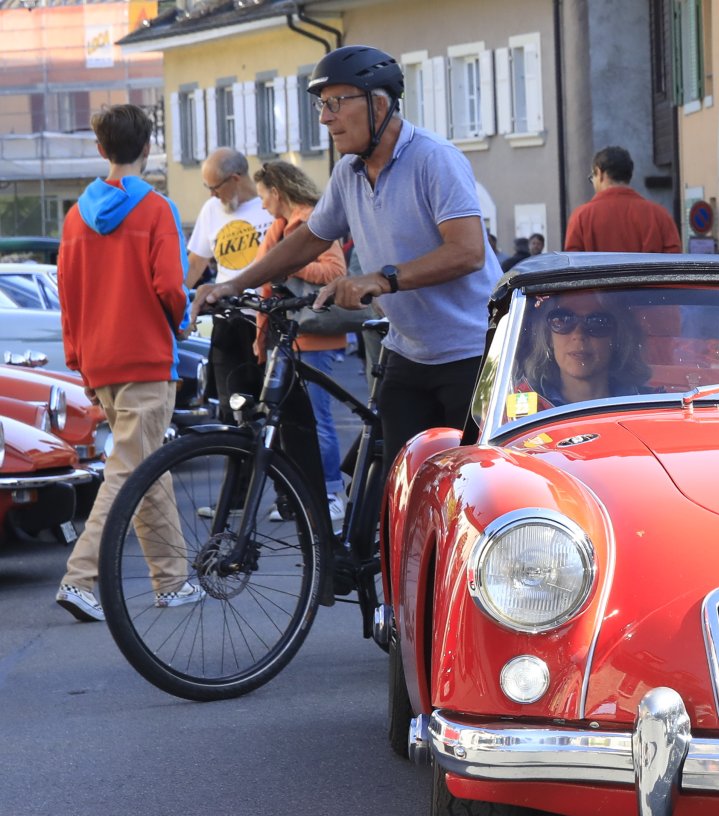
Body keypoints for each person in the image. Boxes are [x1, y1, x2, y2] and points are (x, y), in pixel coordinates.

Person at [192, 44, 501, 482]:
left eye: (336, 103)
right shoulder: (348, 172)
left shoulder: (434, 159)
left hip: (470, 352)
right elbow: (308, 240)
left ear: (379, 104)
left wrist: (383, 279)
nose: (324, 118)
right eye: (322, 105)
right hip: (408, 352)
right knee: (397, 489)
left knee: (470, 490)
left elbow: (467, 251)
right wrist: (233, 284)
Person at [54, 104, 198, 621]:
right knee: (128, 471)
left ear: (100, 149)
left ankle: (172, 582)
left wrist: (79, 362)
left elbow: (67, 296)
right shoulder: (157, 209)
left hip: (100, 361)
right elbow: (171, 286)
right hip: (146, 358)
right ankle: (79, 578)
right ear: (148, 148)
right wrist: (182, 321)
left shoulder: (75, 218)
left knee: (144, 467)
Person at [252, 160, 348, 524]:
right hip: (287, 335)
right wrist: (261, 337)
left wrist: (291, 263)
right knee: (291, 423)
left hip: (313, 335)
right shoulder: (278, 227)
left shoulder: (314, 221)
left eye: (264, 196)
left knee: (318, 419)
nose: (263, 204)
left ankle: (331, 492)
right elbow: (262, 278)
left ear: (277, 192)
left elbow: (335, 272)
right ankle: (302, 497)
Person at [189, 147, 275, 413]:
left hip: (267, 320)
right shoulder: (211, 210)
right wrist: (175, 302)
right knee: (232, 408)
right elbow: (196, 263)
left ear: (235, 178)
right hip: (228, 320)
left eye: (215, 187)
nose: (212, 195)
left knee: (273, 406)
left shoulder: (269, 205)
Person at [513, 292, 650, 412]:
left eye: (597, 322)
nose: (578, 334)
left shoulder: (647, 406)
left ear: (617, 337)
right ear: (548, 337)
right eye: (562, 320)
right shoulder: (520, 411)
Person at [564, 147, 680, 254]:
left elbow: (572, 262)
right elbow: (674, 261)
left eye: (592, 177)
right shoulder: (660, 215)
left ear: (599, 173)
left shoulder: (581, 217)